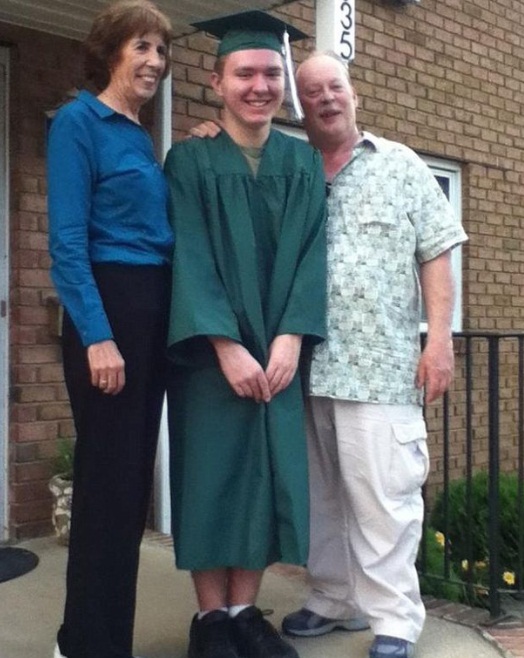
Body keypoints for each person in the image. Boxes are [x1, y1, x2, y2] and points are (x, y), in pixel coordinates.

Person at [279, 52, 468, 658]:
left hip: (380, 369)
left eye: (334, 86)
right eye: (312, 92)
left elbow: (436, 251)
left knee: (385, 499)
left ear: (353, 94)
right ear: (301, 108)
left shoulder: (400, 165)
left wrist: (439, 340)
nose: (326, 98)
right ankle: (334, 599)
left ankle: (394, 621)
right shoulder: (295, 171)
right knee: (323, 498)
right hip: (308, 368)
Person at [163, 11, 327, 658]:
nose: (259, 86)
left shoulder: (302, 162)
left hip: (280, 355)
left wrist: (291, 337)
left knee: (264, 474)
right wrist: (226, 345)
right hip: (209, 359)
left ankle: (244, 612)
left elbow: (313, 255)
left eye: (270, 74)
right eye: (244, 74)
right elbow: (189, 254)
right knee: (210, 476)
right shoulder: (189, 161)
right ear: (216, 81)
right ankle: (210, 619)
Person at [46, 2, 174, 657]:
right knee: (106, 484)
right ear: (110, 51)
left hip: (150, 308)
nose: (154, 61)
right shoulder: (78, 122)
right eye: (141, 47)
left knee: (129, 490)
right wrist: (97, 336)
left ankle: (105, 639)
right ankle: (83, 643)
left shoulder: (138, 133)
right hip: (109, 311)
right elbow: (67, 243)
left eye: (161, 49)